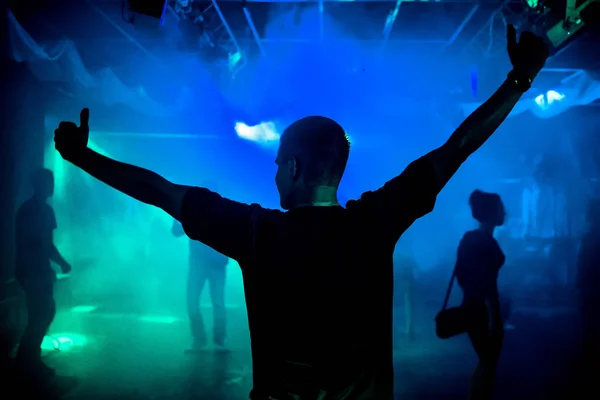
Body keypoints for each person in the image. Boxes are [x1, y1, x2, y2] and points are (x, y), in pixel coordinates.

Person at [52, 26, 548, 399]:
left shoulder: (255, 232)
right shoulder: (375, 223)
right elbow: (455, 148)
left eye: (275, 165)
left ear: (291, 166)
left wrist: (82, 156)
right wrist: (520, 78)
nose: (273, 176)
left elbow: (158, 190)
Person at [14, 168, 72, 380]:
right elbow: (43, 245)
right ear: (40, 184)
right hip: (33, 271)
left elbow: (45, 244)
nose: (53, 185)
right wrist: (62, 263)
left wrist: (54, 266)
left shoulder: (42, 211)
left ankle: (28, 359)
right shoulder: (33, 211)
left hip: (37, 270)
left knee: (43, 314)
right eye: (49, 181)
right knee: (40, 315)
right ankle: (27, 362)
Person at [455, 190, 506, 400]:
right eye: (501, 209)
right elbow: (488, 285)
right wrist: (494, 319)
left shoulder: (469, 239)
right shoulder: (486, 243)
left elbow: (461, 274)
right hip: (484, 313)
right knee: (488, 365)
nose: (505, 213)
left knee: (485, 363)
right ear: (491, 213)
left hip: (469, 306)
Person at [172, 218, 229, 351]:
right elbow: (176, 231)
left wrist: (175, 216)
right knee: (217, 302)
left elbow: (176, 231)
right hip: (214, 262)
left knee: (195, 301)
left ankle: (201, 339)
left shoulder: (193, 208)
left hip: (204, 263)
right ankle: (217, 340)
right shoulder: (218, 207)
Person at [575, 198, 600, 393]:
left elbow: (583, 266)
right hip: (591, 290)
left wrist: (578, 285)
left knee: (589, 331)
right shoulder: (590, 237)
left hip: (590, 291)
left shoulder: (589, 237)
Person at [393, 245, 417, 341]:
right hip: (407, 285)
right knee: (408, 309)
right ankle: (409, 332)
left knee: (409, 308)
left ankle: (409, 332)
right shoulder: (407, 260)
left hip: (407, 286)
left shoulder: (403, 260)